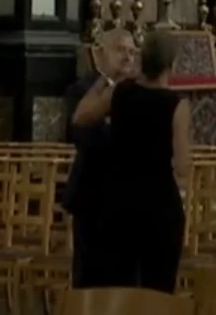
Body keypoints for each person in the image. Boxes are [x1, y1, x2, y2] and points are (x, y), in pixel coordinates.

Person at [73, 32, 191, 292]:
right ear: (172, 64)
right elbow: (182, 165)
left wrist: (103, 78)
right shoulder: (176, 104)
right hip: (159, 203)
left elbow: (81, 115)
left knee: (118, 285)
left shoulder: (120, 93)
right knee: (157, 287)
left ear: (142, 60)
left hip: (119, 201)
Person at [61, 28, 135, 288]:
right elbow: (84, 136)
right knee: (89, 277)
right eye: (120, 50)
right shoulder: (81, 90)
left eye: (131, 51)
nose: (127, 57)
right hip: (91, 195)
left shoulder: (136, 94)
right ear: (100, 54)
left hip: (127, 198)